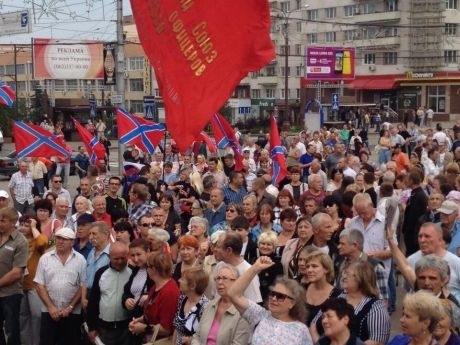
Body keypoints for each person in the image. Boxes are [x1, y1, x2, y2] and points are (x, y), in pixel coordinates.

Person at [228, 256, 312, 345]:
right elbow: (233, 294)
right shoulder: (259, 315)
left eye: (280, 296)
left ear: (292, 303)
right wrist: (255, 268)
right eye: (273, 294)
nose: (274, 298)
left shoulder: (301, 331)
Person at [34, 227, 86, 345]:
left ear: (72, 242)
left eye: (65, 239)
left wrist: (70, 307)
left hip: (72, 314)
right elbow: (39, 285)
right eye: (58, 238)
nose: (60, 241)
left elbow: (82, 285)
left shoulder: (81, 260)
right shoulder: (45, 258)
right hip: (49, 312)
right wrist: (51, 307)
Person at [191, 264, 251, 345]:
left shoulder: (243, 312)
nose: (219, 282)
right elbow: (197, 336)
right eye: (218, 278)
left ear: (237, 282)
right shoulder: (210, 305)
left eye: (225, 278)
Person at [128, 252, 180, 342]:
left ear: (154, 269)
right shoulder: (156, 285)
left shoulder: (169, 292)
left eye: (148, 266)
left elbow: (167, 329)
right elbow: (151, 313)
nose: (147, 269)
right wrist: (139, 320)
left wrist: (143, 328)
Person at [86, 242, 132, 345]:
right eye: (116, 259)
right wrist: (92, 327)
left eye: (123, 258)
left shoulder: (132, 272)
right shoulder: (101, 273)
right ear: (109, 256)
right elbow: (93, 301)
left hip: (127, 328)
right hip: (105, 328)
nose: (120, 261)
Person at [341, 261, 390, 345]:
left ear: (361, 278)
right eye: (344, 274)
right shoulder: (339, 297)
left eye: (348, 274)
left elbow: (378, 341)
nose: (344, 277)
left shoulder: (376, 307)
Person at [0, 207, 28, 345]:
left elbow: (17, 273)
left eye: (2, 221)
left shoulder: (20, 241)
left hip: (10, 294)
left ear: (13, 222)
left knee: (11, 331)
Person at [18, 215, 47, 345]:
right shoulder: (17, 240)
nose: (23, 228)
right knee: (22, 316)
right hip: (18, 285)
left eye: (26, 225)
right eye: (22, 225)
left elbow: (43, 243)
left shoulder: (37, 240)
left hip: (34, 284)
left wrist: (34, 227)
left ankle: (37, 342)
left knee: (37, 315)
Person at [303, 250, 343, 343]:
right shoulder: (301, 290)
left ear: (326, 269)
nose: (309, 270)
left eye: (314, 266)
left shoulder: (337, 296)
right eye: (307, 266)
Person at [213, 232, 262, 303]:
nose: (215, 249)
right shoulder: (220, 266)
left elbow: (253, 305)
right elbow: (215, 296)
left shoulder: (249, 272)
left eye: (218, 246)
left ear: (229, 250)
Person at [122, 239, 153, 345]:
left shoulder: (155, 269)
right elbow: (127, 291)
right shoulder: (136, 270)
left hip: (147, 325)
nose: (135, 259)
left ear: (148, 251)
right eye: (132, 255)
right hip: (134, 321)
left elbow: (162, 290)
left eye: (139, 254)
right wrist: (126, 300)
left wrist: (148, 295)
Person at [172, 267, 209, 345]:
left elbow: (203, 336)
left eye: (182, 279)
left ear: (192, 286)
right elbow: (177, 329)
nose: (179, 280)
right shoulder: (182, 299)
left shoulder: (205, 306)